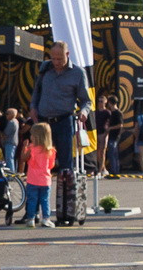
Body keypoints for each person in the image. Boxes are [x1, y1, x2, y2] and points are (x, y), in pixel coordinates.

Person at [32, 38, 91, 224]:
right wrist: (33, 108)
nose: (56, 62)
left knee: (65, 167)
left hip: (64, 121)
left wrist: (84, 111)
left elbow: (86, 100)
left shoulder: (78, 73)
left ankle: (66, 211)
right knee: (38, 167)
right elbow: (37, 92)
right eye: (53, 58)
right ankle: (34, 212)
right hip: (43, 123)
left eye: (59, 58)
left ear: (68, 54)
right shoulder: (45, 69)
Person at [22, 121, 56, 227]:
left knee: (32, 200)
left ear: (36, 136)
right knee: (45, 200)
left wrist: (24, 147)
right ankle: (46, 218)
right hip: (45, 180)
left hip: (32, 179)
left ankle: (31, 218)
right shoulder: (50, 150)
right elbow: (51, 165)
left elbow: (23, 158)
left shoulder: (31, 148)